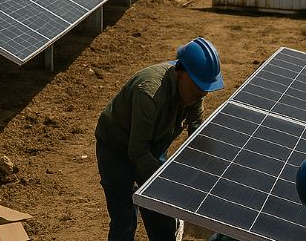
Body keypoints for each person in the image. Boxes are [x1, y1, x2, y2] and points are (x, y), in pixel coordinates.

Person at [95, 37, 225, 241]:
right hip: (116, 149)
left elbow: (196, 127)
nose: (203, 93)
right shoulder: (150, 93)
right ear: (181, 72)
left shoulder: (194, 92)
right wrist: (167, 180)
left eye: (206, 88)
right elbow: (137, 150)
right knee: (125, 219)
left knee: (161, 212)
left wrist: (209, 167)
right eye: (199, 86)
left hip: (154, 145)